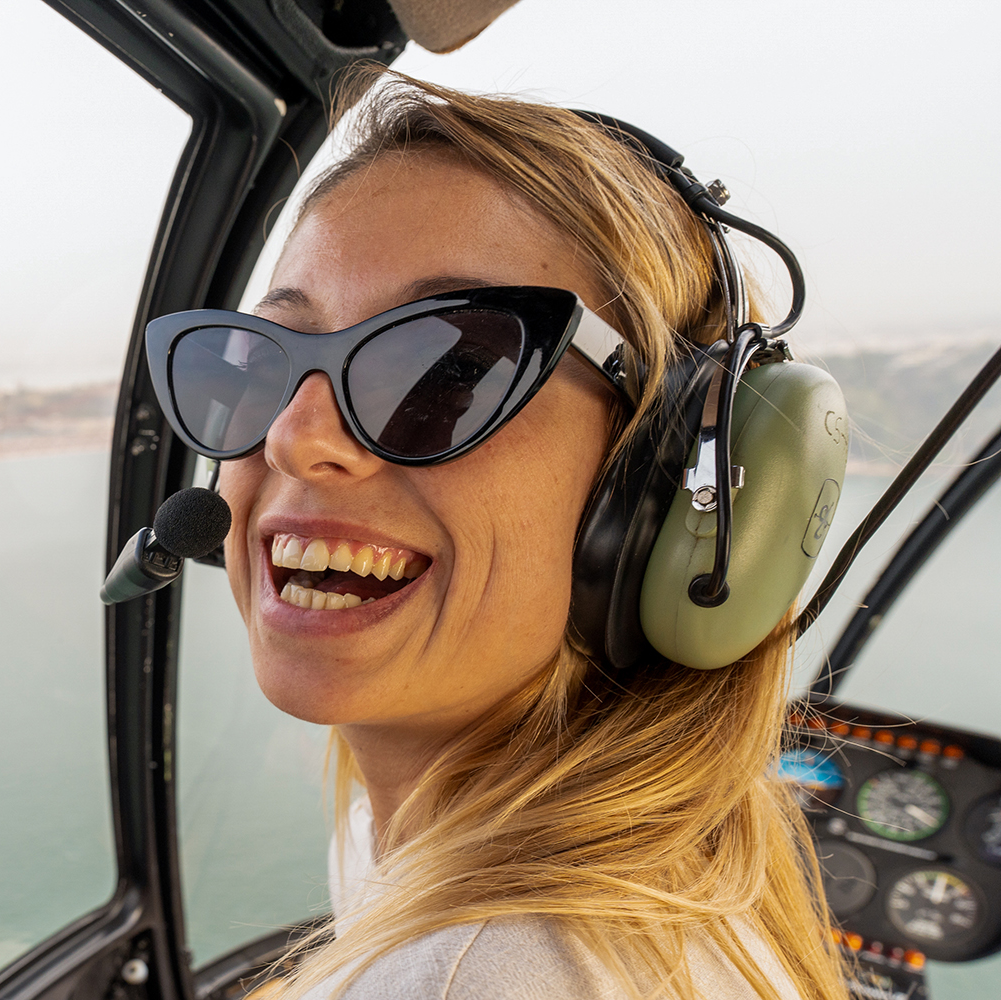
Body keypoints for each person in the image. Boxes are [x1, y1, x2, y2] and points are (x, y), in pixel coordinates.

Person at [151, 72, 848, 1000]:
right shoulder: (427, 852)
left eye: (450, 368)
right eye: (268, 358)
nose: (296, 435)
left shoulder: (477, 975)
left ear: (666, 487)